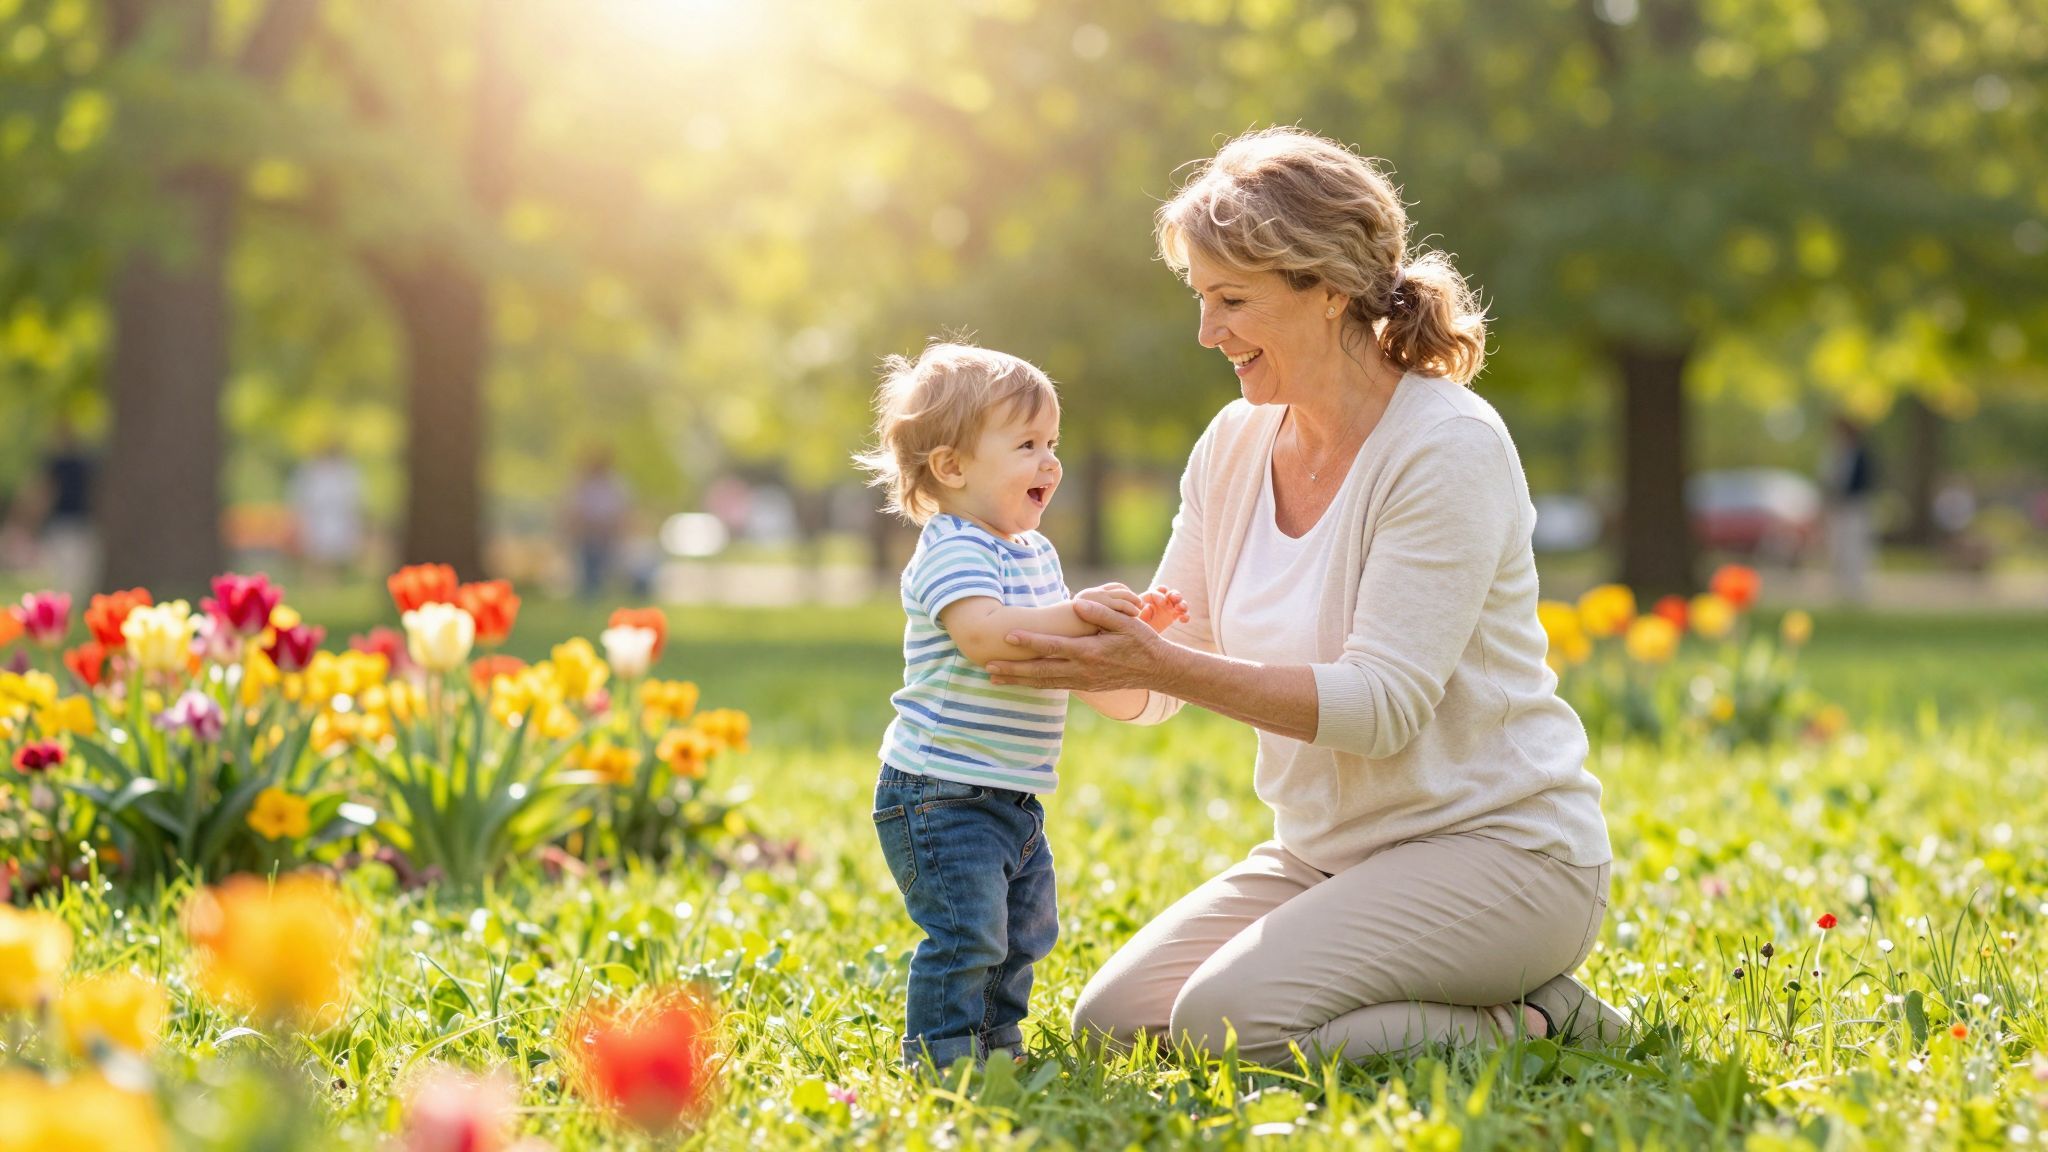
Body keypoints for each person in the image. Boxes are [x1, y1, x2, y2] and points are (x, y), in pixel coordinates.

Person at [987, 128, 1629, 1064]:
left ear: (1326, 289)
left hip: (1504, 856)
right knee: (1113, 1024)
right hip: (1328, 857)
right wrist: (1070, 653)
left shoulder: (1445, 447)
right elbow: (1158, 675)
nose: (1208, 334)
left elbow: (1381, 709)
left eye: (1232, 301)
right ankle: (1469, 999)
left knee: (1223, 1026)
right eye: (1202, 301)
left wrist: (1160, 660)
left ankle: (1536, 1021)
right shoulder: (1235, 444)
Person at [853, 342, 1187, 1068]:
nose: (1051, 463)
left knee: (1026, 929)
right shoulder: (952, 546)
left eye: (1053, 444)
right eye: (1028, 445)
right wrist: (1081, 614)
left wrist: (1121, 633)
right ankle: (942, 1055)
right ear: (952, 467)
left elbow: (1058, 647)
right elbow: (984, 635)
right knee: (969, 930)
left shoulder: (1033, 552)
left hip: (1012, 794)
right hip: (939, 792)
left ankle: (996, 1044)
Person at [4, 419, 98, 600]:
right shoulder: (72, 463)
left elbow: (43, 493)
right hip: (66, 523)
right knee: (68, 575)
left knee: (71, 575)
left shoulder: (70, 464)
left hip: (74, 523)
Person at [289, 441, 366, 584]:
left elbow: (352, 499)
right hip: (317, 518)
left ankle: (335, 580)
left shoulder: (347, 472)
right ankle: (317, 580)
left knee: (336, 550)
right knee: (317, 550)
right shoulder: (310, 471)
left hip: (337, 517)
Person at [1822, 414, 1879, 603]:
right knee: (1838, 548)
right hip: (1838, 507)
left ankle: (1856, 589)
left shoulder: (1861, 454)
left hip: (1856, 506)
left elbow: (1866, 481)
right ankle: (1841, 588)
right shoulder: (1835, 454)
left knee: (1856, 549)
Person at [562, 448, 632, 600]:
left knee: (605, 570)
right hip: (587, 534)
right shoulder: (582, 484)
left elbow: (621, 511)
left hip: (608, 535)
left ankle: (601, 596)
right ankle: (588, 598)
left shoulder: (615, 484)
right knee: (587, 570)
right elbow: (574, 509)